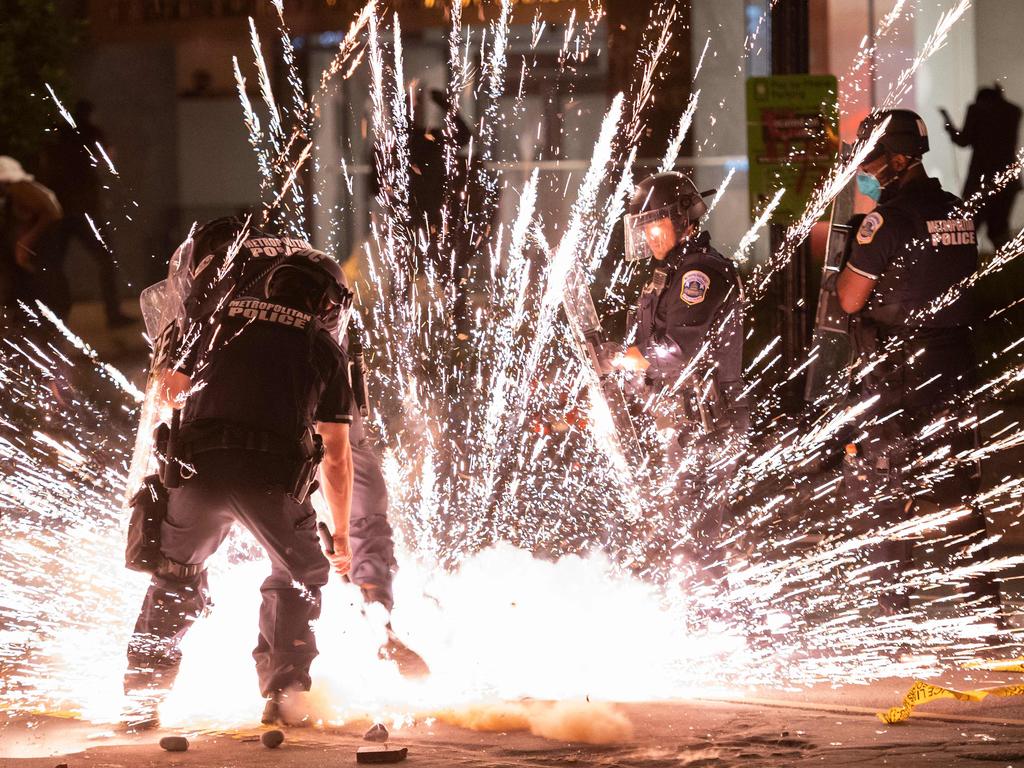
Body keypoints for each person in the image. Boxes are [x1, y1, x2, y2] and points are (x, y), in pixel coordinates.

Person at [122, 240, 356, 730]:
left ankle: (141, 700)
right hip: (269, 484)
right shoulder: (325, 348)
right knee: (300, 575)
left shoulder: (216, 322)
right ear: (323, 301)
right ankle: (284, 697)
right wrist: (342, 534)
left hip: (196, 474)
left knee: (174, 576)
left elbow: (168, 391)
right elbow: (334, 453)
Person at [836, 108, 1001, 619]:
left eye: (874, 159)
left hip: (898, 377)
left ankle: (893, 611)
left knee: (880, 486)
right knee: (955, 489)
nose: (867, 169)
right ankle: (983, 605)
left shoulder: (886, 221)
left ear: (900, 158)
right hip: (952, 370)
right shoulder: (956, 212)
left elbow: (848, 300)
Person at [604, 171, 746, 576]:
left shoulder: (699, 274)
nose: (649, 235)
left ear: (683, 220)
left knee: (695, 541)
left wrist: (621, 358)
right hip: (685, 419)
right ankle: (701, 616)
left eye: (656, 223)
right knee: (679, 536)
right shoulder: (668, 272)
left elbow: (678, 352)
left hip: (709, 420)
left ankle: (713, 624)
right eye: (644, 226)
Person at [39, 99, 131, 326]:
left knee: (53, 264)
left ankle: (54, 315)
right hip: (84, 209)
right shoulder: (91, 132)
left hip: (60, 208)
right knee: (106, 261)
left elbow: (46, 162)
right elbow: (107, 157)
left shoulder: (61, 134)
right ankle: (112, 314)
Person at [941, 85, 1022, 251]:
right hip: (1008, 180)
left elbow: (963, 140)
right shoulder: (1014, 111)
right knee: (999, 230)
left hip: (981, 179)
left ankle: (962, 268)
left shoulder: (977, 109)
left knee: (968, 226)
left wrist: (948, 125)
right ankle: (1009, 269)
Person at [0, 156, 62, 314]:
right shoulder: (21, 190)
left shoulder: (20, 190)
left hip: (35, 252)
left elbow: (51, 213)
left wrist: (25, 243)